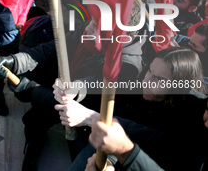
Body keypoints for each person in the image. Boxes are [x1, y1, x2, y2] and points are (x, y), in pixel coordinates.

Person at [54, 47, 207, 170]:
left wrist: (91, 118)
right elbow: (112, 91)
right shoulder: (142, 86)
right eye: (149, 71)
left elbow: (155, 146)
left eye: (159, 79)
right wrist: (78, 87)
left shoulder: (192, 116)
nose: (147, 81)